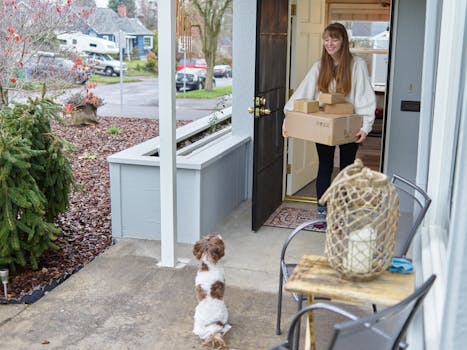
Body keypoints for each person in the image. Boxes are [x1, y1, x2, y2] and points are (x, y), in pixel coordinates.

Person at [283, 22, 376, 218]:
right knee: (324, 166)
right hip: (325, 126)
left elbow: (365, 97)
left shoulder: (356, 65)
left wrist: (366, 127)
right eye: (326, 39)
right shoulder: (319, 66)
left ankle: (344, 211)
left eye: (334, 38)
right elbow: (302, 93)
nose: (329, 43)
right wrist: (288, 120)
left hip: (349, 125)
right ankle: (322, 212)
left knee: (346, 169)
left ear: (343, 41)